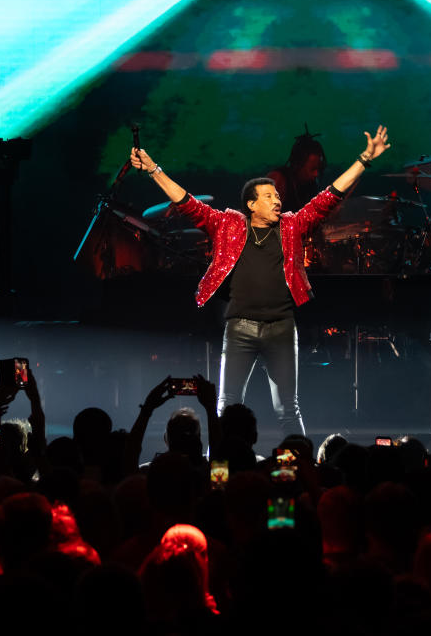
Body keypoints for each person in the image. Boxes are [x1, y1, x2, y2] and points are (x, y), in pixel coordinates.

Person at [130, 126, 390, 436]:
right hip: (239, 327)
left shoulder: (292, 226)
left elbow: (328, 197)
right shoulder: (227, 224)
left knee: (288, 409)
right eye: (269, 196)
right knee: (226, 406)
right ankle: (220, 474)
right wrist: (154, 170)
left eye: (278, 195)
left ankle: (298, 472)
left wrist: (364, 159)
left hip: (281, 327)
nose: (277, 200)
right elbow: (187, 203)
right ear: (251, 204)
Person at [266, 127, 327, 213]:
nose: (316, 174)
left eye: (319, 169)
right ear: (297, 164)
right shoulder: (278, 180)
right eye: (312, 169)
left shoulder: (311, 184)